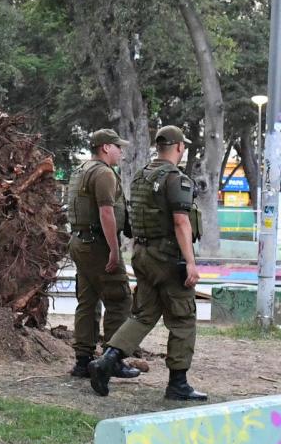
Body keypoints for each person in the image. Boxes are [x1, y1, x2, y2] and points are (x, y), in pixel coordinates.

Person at [88, 125, 206, 401]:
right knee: (182, 317)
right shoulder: (176, 179)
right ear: (178, 147)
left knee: (143, 315)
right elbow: (180, 221)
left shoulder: (141, 176)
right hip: (168, 258)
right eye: (183, 146)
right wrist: (190, 262)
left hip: (143, 254)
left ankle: (107, 361)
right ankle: (178, 383)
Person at [67, 129, 140, 380]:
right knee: (119, 299)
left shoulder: (81, 170)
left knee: (87, 301)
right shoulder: (103, 173)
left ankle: (83, 360)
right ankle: (113, 358)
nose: (121, 151)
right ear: (106, 148)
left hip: (79, 241)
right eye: (118, 147)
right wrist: (113, 250)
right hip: (98, 245)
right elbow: (106, 212)